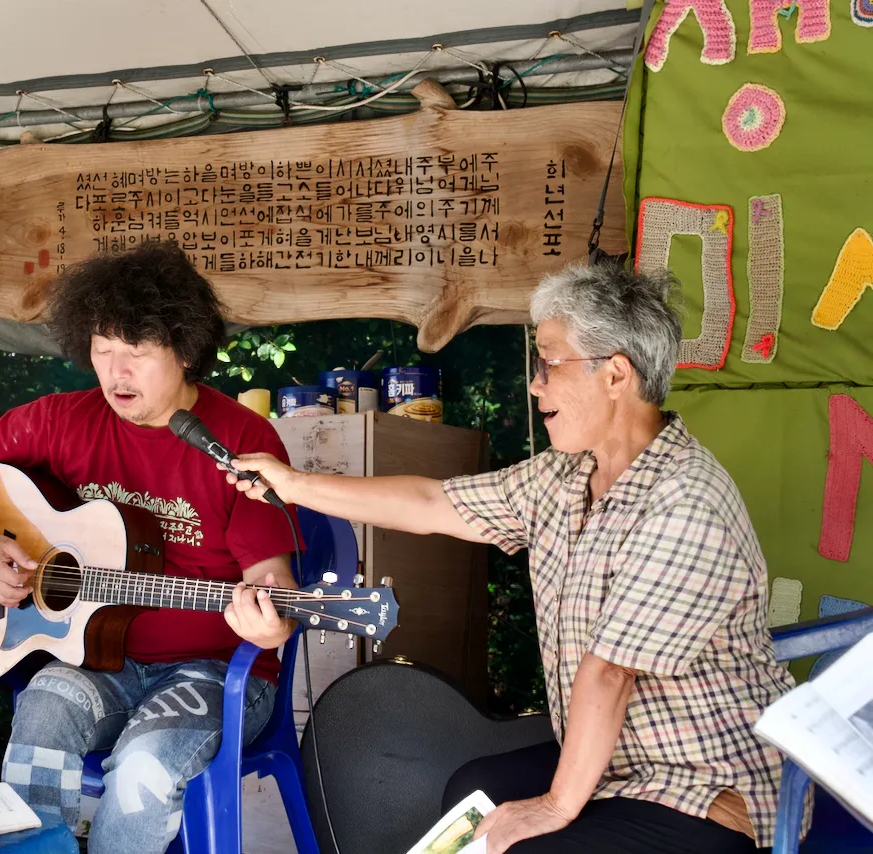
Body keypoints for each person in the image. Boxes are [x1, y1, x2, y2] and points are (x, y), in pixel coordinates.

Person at [228, 264, 798, 853]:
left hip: (706, 786)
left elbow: (611, 673)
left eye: (549, 363)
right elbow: (431, 502)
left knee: (523, 844)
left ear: (616, 375)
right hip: (617, 763)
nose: (534, 384)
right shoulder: (564, 474)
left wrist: (552, 808)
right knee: (475, 792)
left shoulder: (685, 499)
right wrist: (292, 484)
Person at [0, 240, 298, 854]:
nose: (116, 373)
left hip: (217, 669)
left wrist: (272, 623)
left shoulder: (241, 438)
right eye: (103, 350)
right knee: (42, 708)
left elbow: (271, 583)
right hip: (100, 662)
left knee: (141, 772)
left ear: (185, 350)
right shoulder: (63, 420)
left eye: (137, 353)